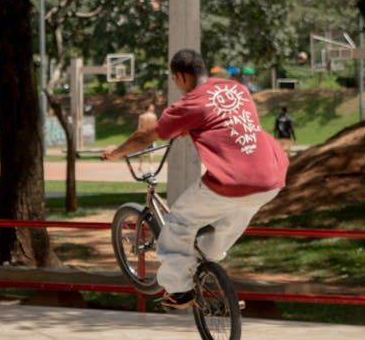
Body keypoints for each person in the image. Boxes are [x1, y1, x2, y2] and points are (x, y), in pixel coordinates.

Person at [103, 48, 289, 309]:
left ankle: (180, 290)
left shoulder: (188, 105)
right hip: (270, 178)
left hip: (231, 181)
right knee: (226, 225)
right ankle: (207, 267)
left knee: (178, 222)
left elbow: (145, 136)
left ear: (179, 76)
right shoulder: (237, 89)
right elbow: (223, 122)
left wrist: (116, 152)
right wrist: (191, 130)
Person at [136, 101, 157, 172]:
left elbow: (139, 127)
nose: (153, 107)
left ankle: (140, 166)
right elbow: (155, 127)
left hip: (143, 135)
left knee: (141, 151)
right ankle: (151, 166)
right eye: (152, 106)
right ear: (148, 108)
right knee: (151, 151)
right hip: (150, 135)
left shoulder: (141, 117)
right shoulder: (154, 116)